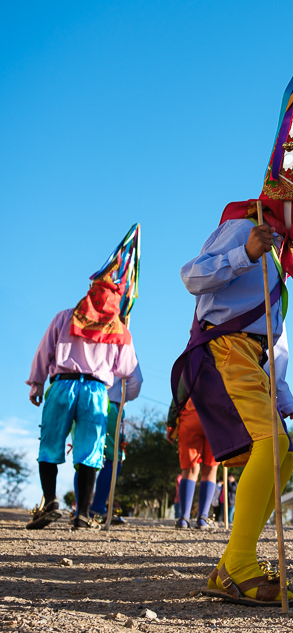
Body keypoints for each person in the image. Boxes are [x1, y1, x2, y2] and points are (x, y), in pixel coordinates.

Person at [172, 45, 293, 606]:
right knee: (268, 448)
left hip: (253, 361)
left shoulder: (282, 256)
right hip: (223, 351)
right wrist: (243, 254)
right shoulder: (245, 227)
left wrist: (282, 389)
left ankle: (234, 562)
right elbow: (191, 278)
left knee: (281, 453)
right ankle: (236, 565)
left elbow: (276, 334)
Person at [26, 228, 141, 531]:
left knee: (50, 444)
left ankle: (50, 501)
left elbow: (44, 351)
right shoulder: (119, 329)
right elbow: (129, 372)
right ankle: (83, 514)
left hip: (62, 385)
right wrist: (123, 398)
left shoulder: (65, 317)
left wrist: (37, 382)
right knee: (90, 453)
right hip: (96, 391)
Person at [86, 364, 143, 524]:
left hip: (85, 400)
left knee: (84, 454)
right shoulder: (122, 341)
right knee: (114, 456)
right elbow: (136, 380)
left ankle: (81, 510)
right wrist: (123, 397)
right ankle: (97, 507)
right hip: (110, 403)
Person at [166, 398, 219, 529]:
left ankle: (184, 518)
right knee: (210, 468)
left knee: (189, 470)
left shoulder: (186, 375)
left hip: (190, 414)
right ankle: (203, 518)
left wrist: (171, 422)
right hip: (216, 417)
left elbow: (177, 392)